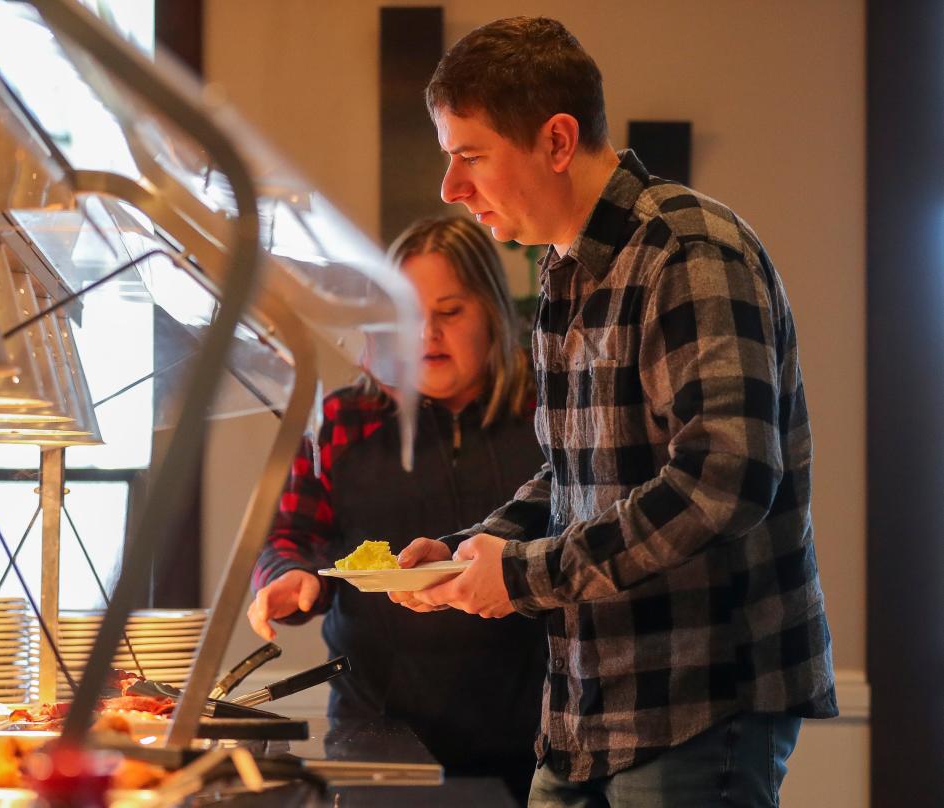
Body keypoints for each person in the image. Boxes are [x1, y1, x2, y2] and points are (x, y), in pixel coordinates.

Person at [391, 16, 838, 808]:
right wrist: (471, 552)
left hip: (699, 706)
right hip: (584, 709)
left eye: (468, 156)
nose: (449, 189)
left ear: (556, 141)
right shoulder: (562, 274)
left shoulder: (690, 250)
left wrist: (524, 576)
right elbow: (573, 473)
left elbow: (722, 480)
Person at [248, 215, 548, 802]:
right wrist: (288, 578)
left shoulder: (548, 414)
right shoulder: (342, 420)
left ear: (491, 310)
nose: (426, 333)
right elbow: (289, 536)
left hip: (533, 739)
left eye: (450, 311)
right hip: (376, 736)